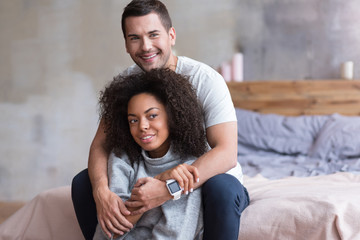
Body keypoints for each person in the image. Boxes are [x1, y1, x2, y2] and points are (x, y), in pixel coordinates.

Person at [71, 0, 249, 239]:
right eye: (134, 37)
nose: (146, 46)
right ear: (125, 44)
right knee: (84, 183)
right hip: (148, 173)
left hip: (204, 179)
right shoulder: (127, 85)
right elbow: (100, 145)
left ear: (171, 35)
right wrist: (101, 192)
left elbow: (226, 153)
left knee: (221, 188)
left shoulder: (206, 80)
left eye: (153, 35)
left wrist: (167, 188)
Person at [94, 68, 210, 239]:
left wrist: (165, 185)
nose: (142, 126)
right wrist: (159, 180)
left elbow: (176, 235)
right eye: (133, 120)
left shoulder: (188, 170)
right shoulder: (122, 159)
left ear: (172, 116)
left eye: (152, 115)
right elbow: (110, 231)